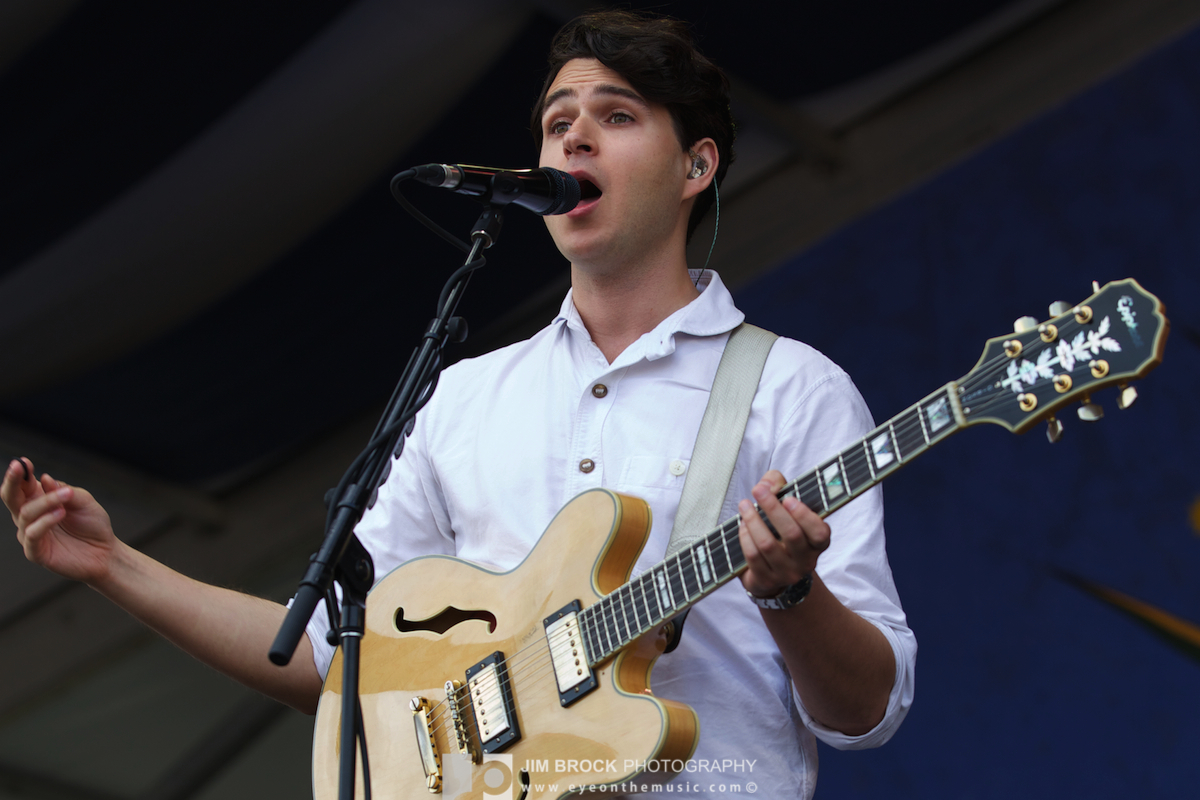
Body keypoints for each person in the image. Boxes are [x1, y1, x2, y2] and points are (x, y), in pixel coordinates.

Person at [4, 10, 914, 798]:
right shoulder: (466, 394)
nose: (573, 141)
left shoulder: (791, 388)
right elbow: (336, 658)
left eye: (617, 116)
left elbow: (865, 713)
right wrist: (114, 565)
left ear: (695, 166)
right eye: (558, 124)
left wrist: (792, 591)